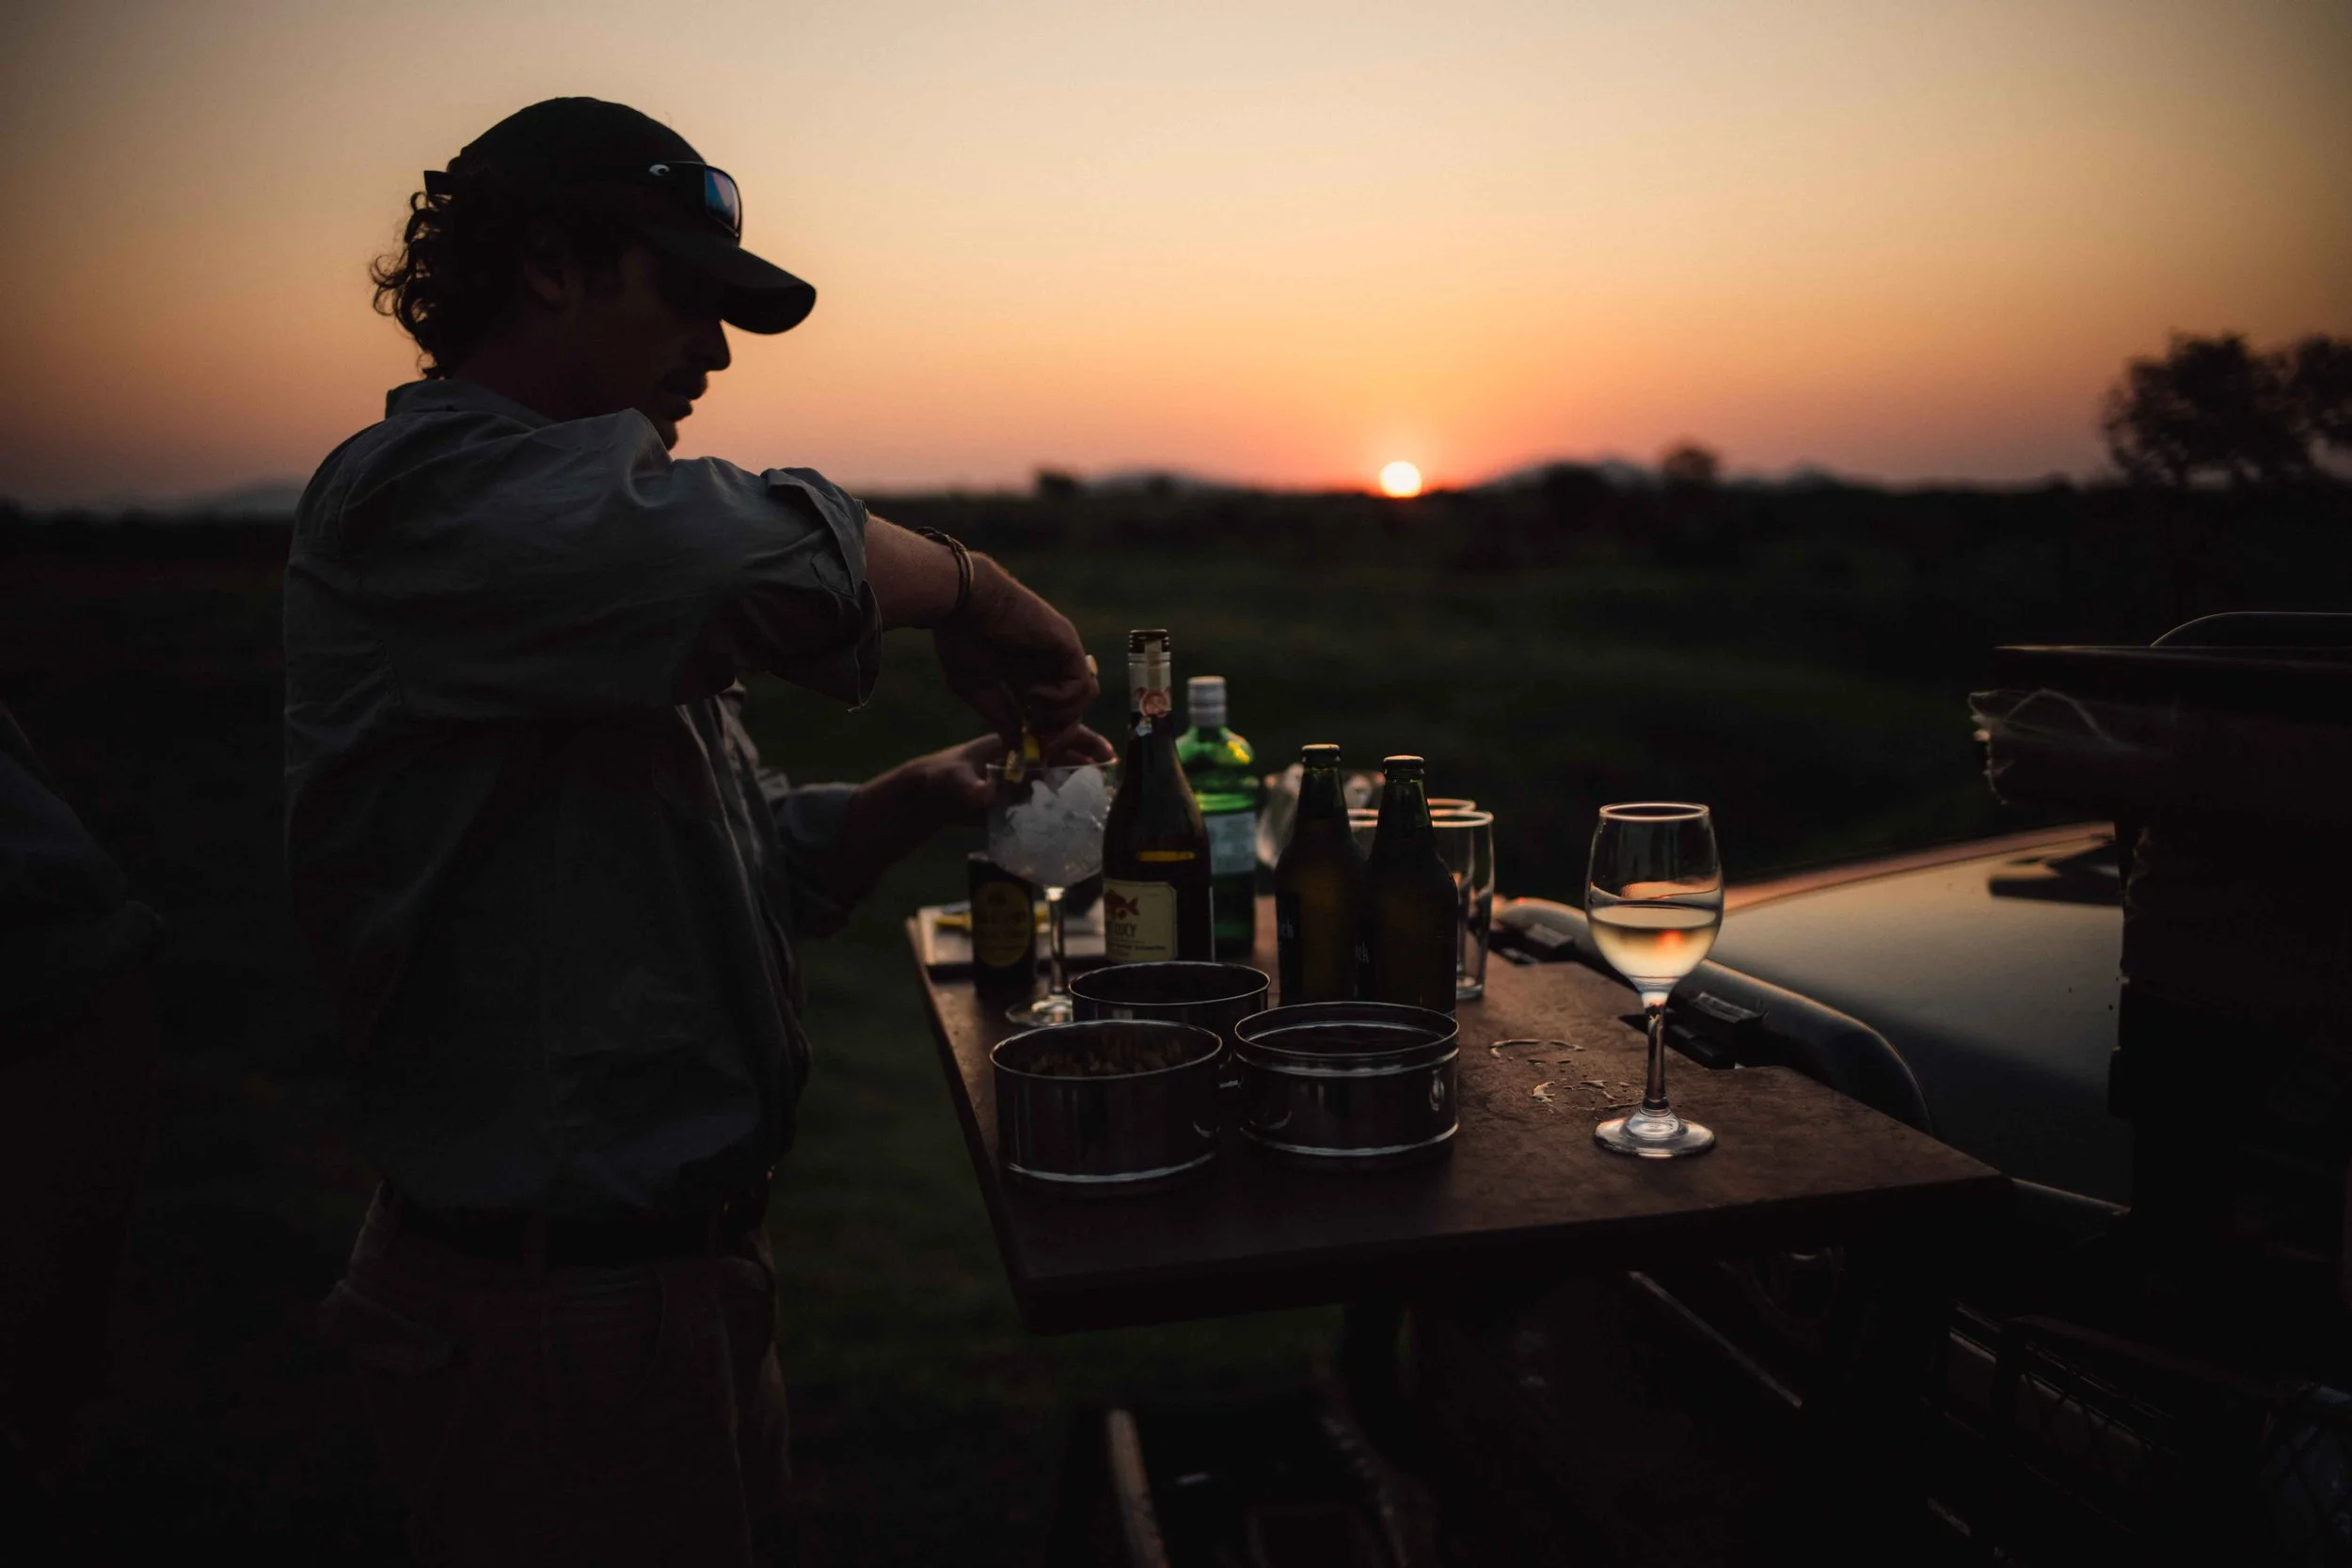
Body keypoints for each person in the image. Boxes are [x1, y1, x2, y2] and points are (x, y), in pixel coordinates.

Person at [286, 98, 1105, 1565]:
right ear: (549, 262)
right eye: (686, 298)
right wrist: (980, 592)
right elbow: (737, 549)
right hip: (545, 1314)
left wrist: (919, 792)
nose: (717, 356)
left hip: (676, 1288)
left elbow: (742, 875)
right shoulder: (424, 500)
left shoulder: (576, 559)